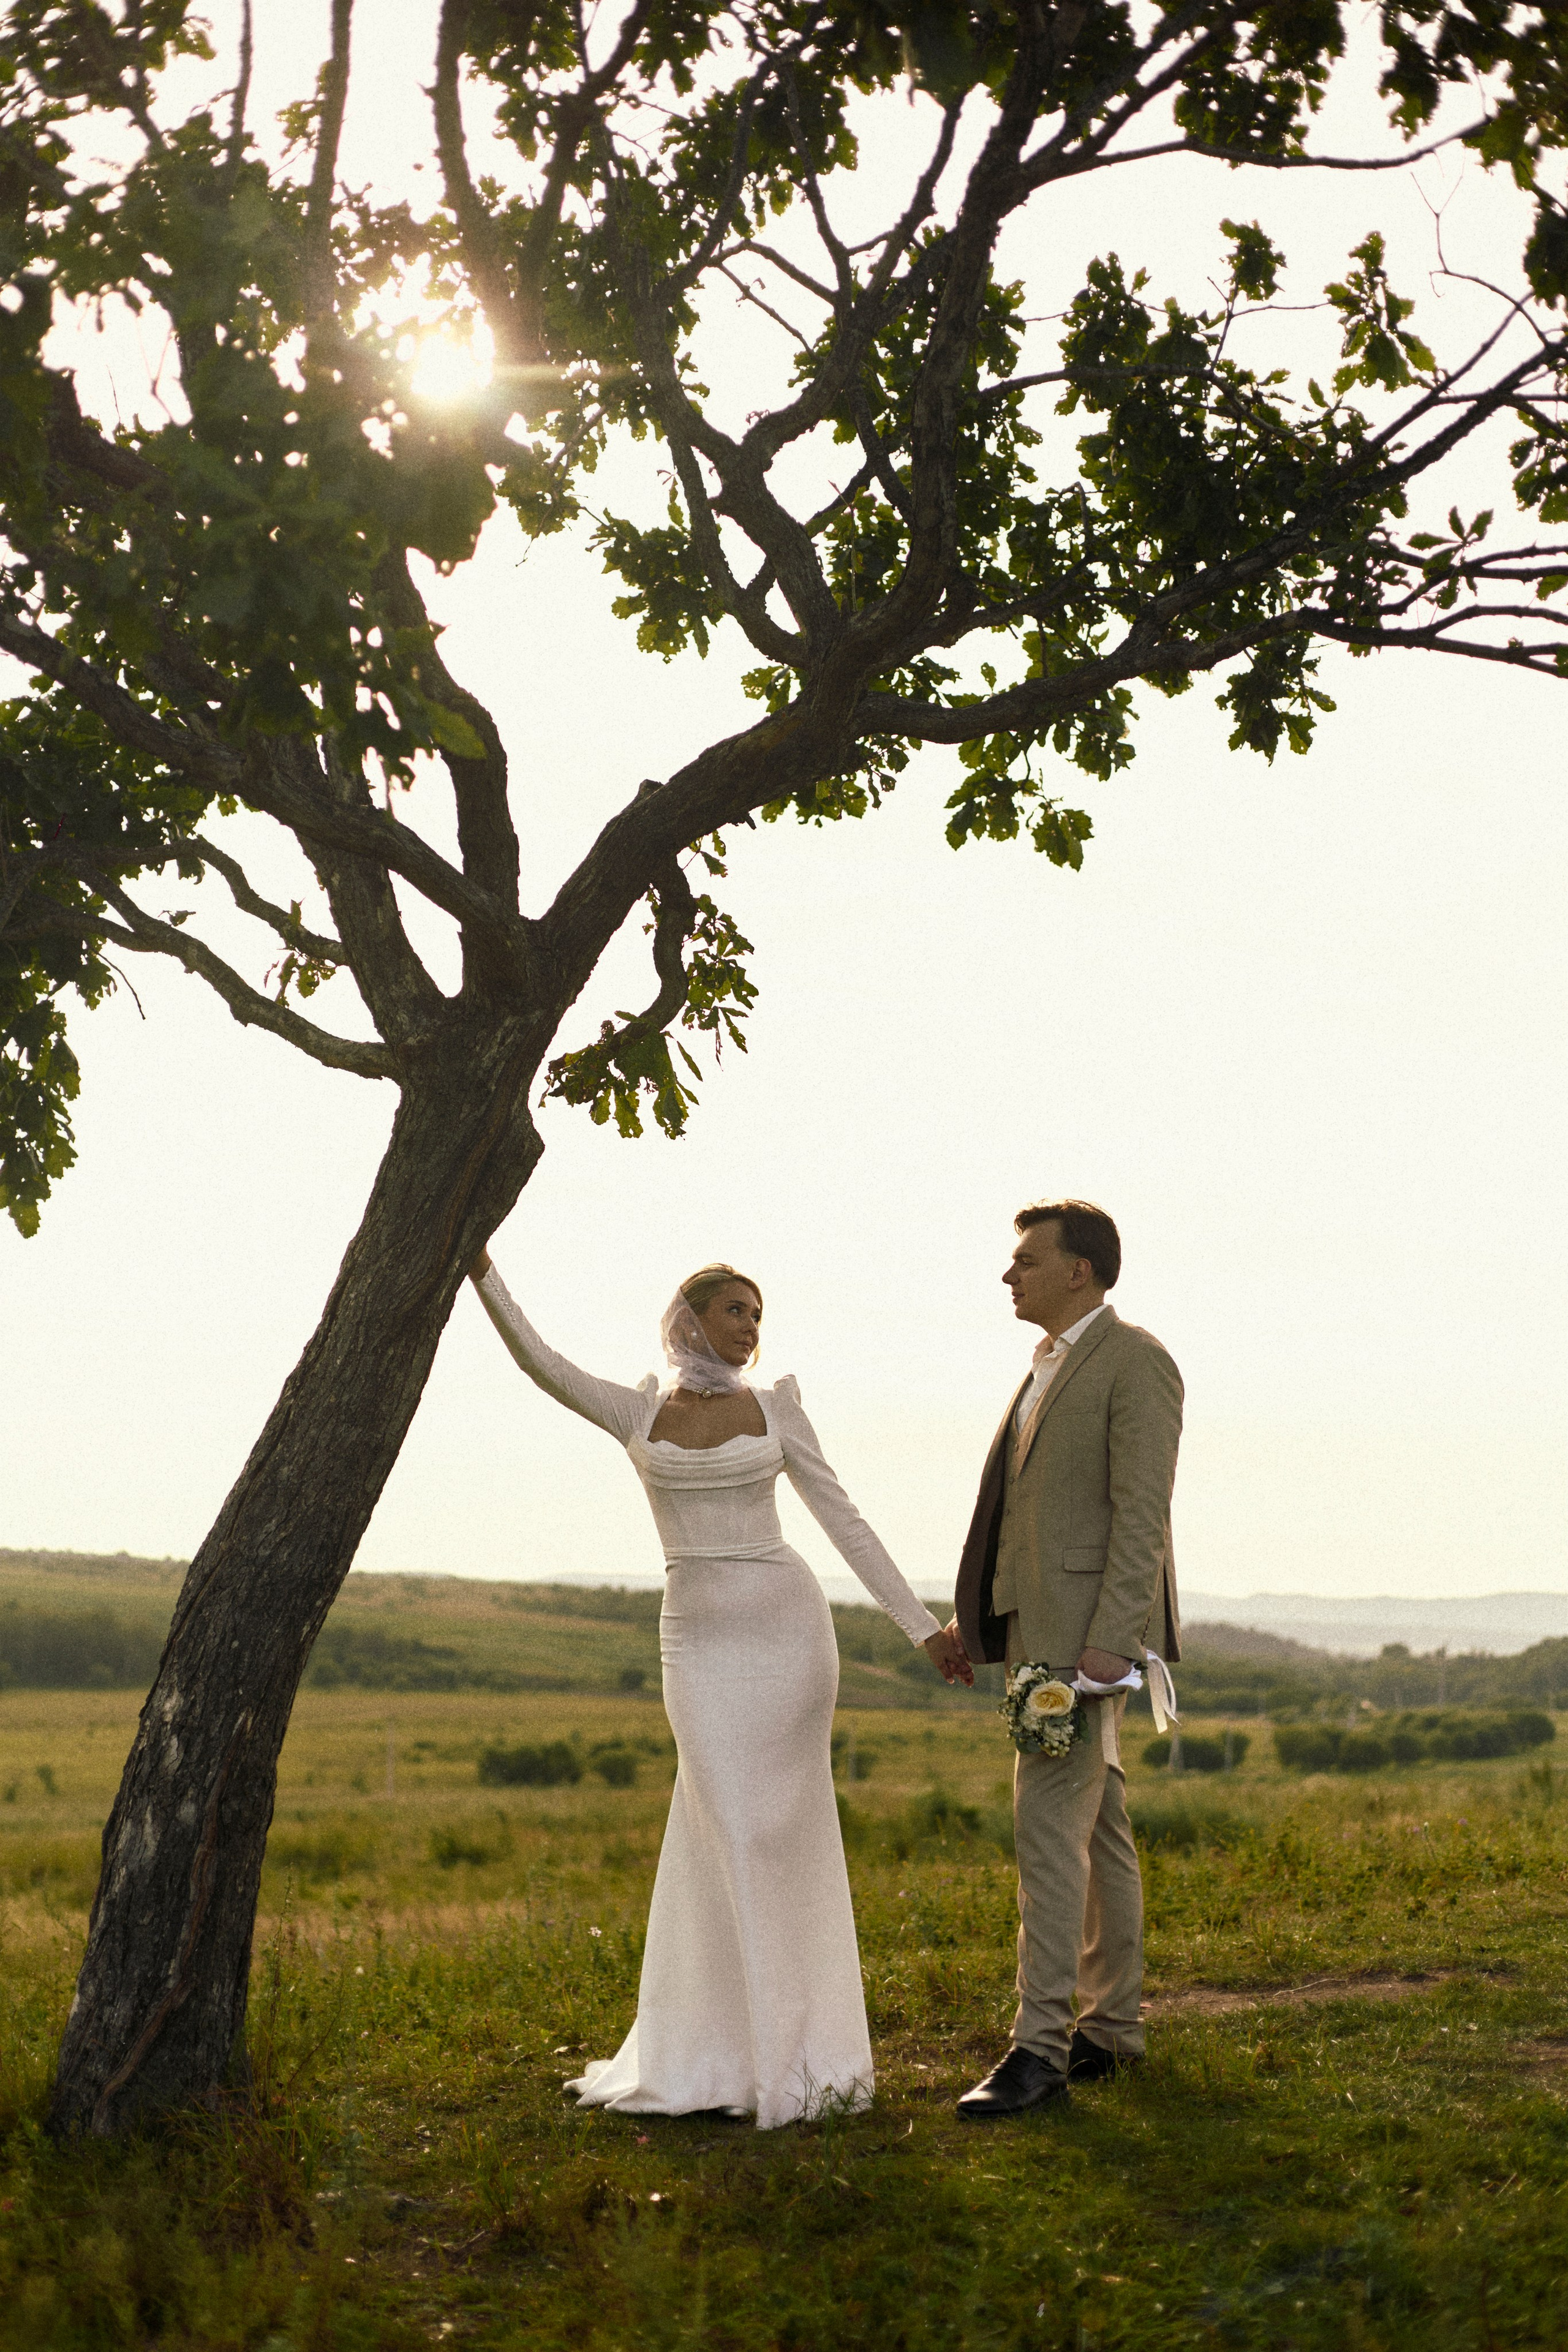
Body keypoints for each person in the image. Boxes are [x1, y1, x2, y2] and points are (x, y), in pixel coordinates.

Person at [468, 1250, 972, 2128]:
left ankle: (794, 2055)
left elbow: (843, 1518)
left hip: (786, 1627)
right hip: (695, 1644)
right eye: (736, 1310)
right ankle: (717, 2053)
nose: (750, 1327)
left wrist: (921, 1627)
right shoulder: (635, 1410)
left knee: (780, 1832)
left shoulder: (777, 1410)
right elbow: (537, 1360)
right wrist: (480, 1269)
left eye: (757, 1315)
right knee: (724, 1825)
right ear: (690, 1317)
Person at [947, 1199, 1183, 2118]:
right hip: (1039, 1631)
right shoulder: (1046, 1366)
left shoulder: (1137, 1362)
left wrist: (1110, 1642)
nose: (1010, 1274)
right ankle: (1112, 2031)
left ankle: (1037, 2051)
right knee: (1099, 1827)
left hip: (1081, 1645)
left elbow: (1141, 1514)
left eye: (1025, 1259)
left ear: (1077, 1270)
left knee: (1048, 1835)